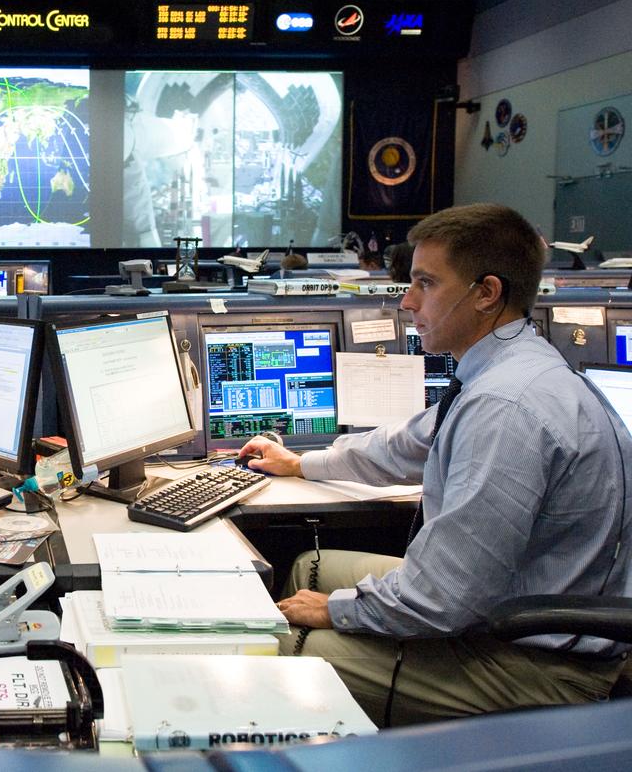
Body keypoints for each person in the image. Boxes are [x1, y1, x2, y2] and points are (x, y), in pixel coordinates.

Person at [239, 203, 632, 726]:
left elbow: (441, 598)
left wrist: (336, 611)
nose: (406, 301)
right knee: (304, 568)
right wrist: (303, 463)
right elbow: (405, 445)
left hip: (534, 667)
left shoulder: (506, 407)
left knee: (280, 645)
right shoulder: (512, 367)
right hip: (503, 608)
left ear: (486, 294)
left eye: (425, 283)